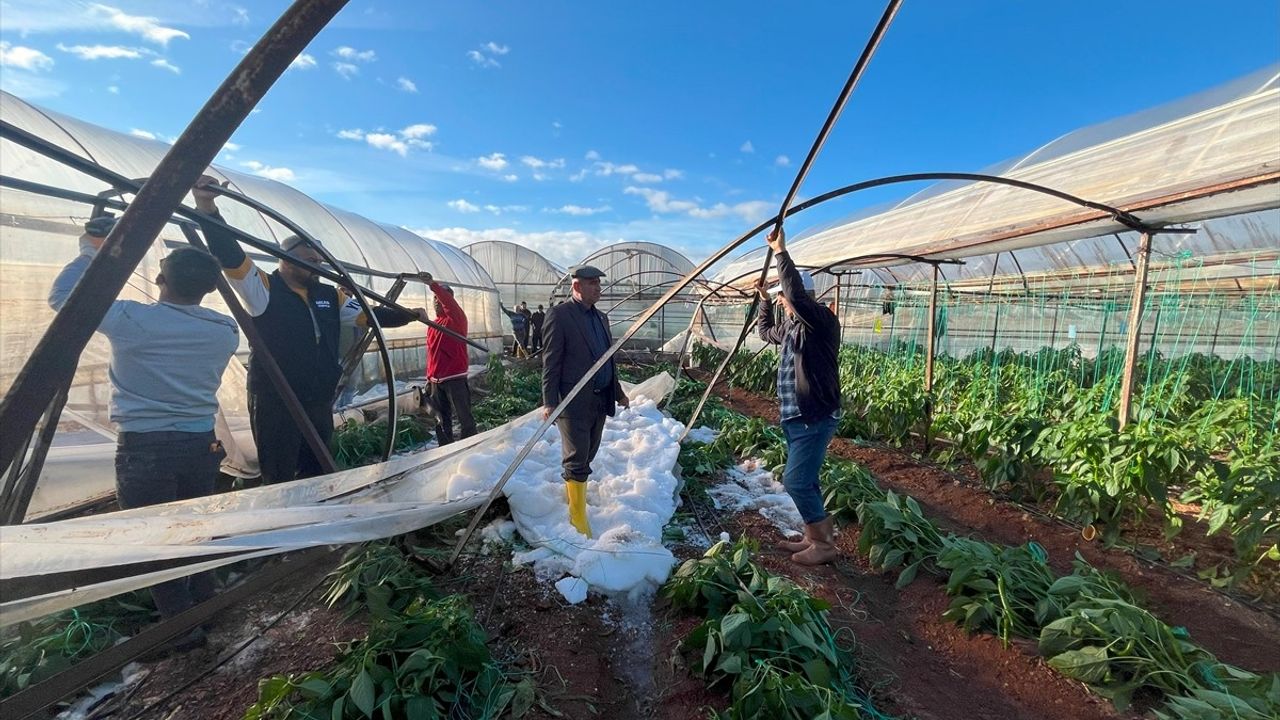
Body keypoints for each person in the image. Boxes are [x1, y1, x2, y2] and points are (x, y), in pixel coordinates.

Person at [49, 215, 239, 643]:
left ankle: (181, 628)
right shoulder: (224, 329)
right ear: (210, 288)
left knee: (156, 541)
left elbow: (63, 296)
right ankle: (206, 605)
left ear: (157, 278)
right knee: (195, 529)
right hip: (200, 444)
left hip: (146, 448)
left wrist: (91, 249)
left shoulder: (131, 321)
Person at [193, 176, 426, 484]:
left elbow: (370, 316)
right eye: (307, 260)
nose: (315, 266)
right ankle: (283, 519)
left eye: (318, 261)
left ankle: (318, 514)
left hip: (317, 395)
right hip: (277, 396)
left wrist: (409, 316)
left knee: (316, 464)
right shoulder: (263, 289)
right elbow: (230, 254)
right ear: (285, 261)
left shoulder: (329, 296)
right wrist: (207, 207)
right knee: (279, 468)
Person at [754, 227, 843, 565]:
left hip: (814, 415)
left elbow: (798, 297)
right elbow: (764, 333)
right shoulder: (792, 326)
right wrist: (765, 303)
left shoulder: (820, 321)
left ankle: (824, 545)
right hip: (794, 416)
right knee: (807, 480)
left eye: (783, 296)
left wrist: (780, 252)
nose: (782, 300)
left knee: (796, 480)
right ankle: (814, 537)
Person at [541, 265, 630, 537]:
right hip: (572, 400)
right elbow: (551, 361)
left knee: (589, 451)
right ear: (576, 287)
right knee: (577, 457)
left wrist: (617, 392)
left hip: (599, 398)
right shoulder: (560, 316)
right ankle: (577, 518)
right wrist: (549, 401)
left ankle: (573, 492)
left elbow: (607, 360)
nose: (598, 288)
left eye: (598, 283)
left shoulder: (601, 318)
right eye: (592, 283)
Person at [421, 272, 476, 444]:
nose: (436, 303)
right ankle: (445, 445)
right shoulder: (433, 325)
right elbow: (432, 353)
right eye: (434, 300)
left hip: (454, 378)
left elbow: (449, 304)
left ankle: (470, 445)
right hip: (437, 381)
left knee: (463, 415)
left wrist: (433, 286)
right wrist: (429, 377)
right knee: (441, 418)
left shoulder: (456, 320)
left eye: (439, 300)